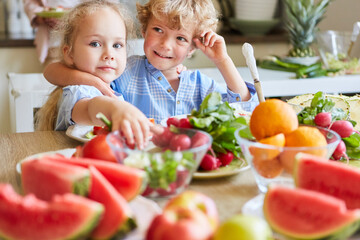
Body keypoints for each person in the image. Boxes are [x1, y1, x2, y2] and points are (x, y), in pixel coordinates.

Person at [43, 0, 257, 123]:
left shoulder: (201, 86)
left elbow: (243, 110)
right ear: (144, 29)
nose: (165, 44)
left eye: (180, 38)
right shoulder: (124, 70)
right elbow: (56, 73)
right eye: (158, 30)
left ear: (194, 46)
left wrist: (223, 60)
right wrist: (97, 83)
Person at [35, 0, 154, 149]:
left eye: (117, 45)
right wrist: (115, 109)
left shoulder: (117, 83)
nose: (109, 54)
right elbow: (90, 108)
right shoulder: (77, 91)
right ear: (70, 53)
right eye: (95, 44)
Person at [23, 0, 83, 65]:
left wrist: (72, 19)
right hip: (53, 45)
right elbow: (30, 3)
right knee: (52, 71)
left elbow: (92, 6)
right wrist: (41, 18)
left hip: (81, 45)